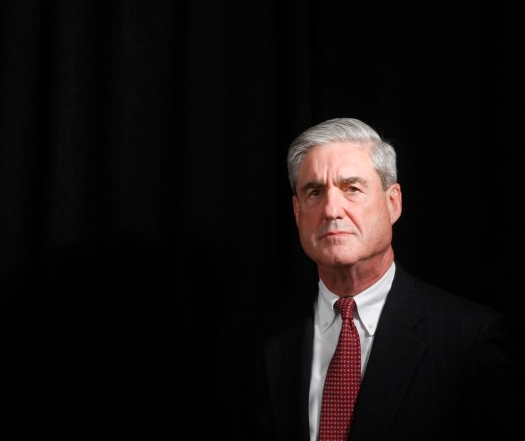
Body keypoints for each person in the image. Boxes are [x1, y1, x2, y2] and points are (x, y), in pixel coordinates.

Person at [217, 117, 523, 440]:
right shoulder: (250, 337)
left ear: (393, 203)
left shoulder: (469, 340)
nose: (332, 209)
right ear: (296, 212)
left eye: (352, 189)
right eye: (315, 192)